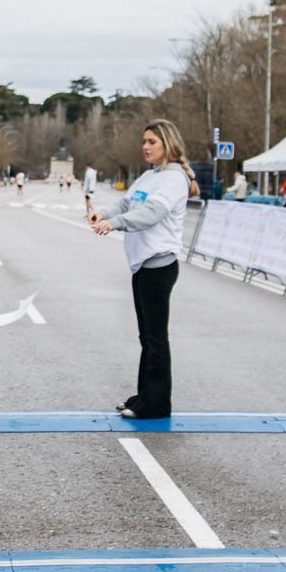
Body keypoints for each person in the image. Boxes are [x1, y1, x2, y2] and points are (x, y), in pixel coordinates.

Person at [89, 120, 198, 420]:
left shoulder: (174, 179)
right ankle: (145, 396)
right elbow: (127, 203)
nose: (145, 146)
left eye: (152, 141)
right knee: (146, 336)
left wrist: (115, 224)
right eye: (144, 141)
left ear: (167, 144)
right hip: (142, 264)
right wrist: (104, 213)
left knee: (155, 337)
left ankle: (158, 404)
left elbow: (152, 213)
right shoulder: (150, 176)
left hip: (159, 265)